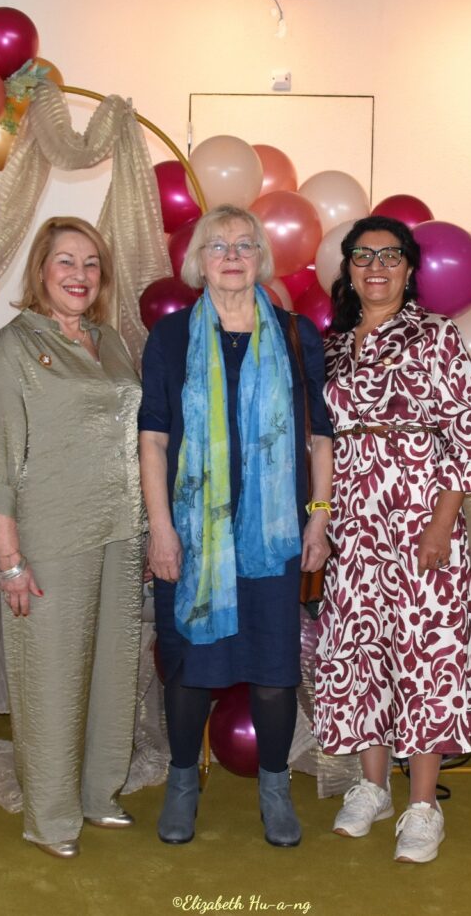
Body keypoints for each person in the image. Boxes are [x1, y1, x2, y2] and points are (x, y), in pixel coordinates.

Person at [139, 204, 332, 847]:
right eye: (217, 245)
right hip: (196, 538)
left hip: (273, 538)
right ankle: (182, 784)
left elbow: (321, 437)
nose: (231, 256)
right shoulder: (171, 338)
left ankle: (274, 788)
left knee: (275, 671)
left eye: (245, 245)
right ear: (199, 260)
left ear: (261, 259)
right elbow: (153, 440)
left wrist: (318, 519)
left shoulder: (296, 335)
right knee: (191, 668)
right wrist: (161, 529)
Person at [313, 215, 471, 865]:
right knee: (360, 650)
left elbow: (464, 439)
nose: (376, 267)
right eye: (363, 256)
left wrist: (441, 524)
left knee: (424, 655)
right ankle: (372, 787)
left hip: (419, 516)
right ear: (348, 269)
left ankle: (422, 805)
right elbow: (323, 437)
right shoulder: (334, 345)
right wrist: (324, 516)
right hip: (355, 519)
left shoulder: (437, 335)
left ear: (410, 269)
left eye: (390, 256)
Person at [0, 217, 145, 859]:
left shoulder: (110, 341)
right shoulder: (11, 347)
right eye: (66, 261)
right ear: (41, 271)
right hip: (48, 534)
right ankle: (49, 817)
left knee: (113, 669)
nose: (80, 275)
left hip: (120, 532)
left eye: (91, 263)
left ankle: (98, 793)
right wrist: (8, 557)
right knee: (49, 676)